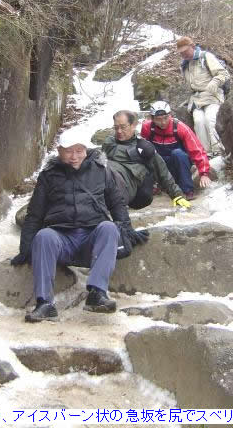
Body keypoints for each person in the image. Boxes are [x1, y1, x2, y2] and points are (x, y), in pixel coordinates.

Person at [10, 130, 148, 323]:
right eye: (68, 151)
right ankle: (45, 304)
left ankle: (97, 294)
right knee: (43, 236)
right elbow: (34, 214)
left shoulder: (101, 170)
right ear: (59, 151)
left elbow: (117, 204)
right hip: (61, 238)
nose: (74, 157)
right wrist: (25, 248)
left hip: (92, 239)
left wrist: (127, 230)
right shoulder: (48, 176)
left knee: (109, 228)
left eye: (79, 151)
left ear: (86, 149)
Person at [102, 110, 192, 210]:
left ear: (133, 125)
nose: (119, 131)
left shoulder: (143, 147)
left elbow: (162, 171)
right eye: (116, 127)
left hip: (128, 188)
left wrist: (177, 195)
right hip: (107, 181)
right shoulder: (109, 143)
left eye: (123, 127)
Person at [141, 101, 211, 200]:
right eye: (158, 119)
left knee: (178, 153)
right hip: (159, 163)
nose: (163, 122)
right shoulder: (147, 127)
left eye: (165, 118)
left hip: (179, 163)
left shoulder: (180, 128)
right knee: (147, 152)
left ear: (170, 115)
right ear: (152, 119)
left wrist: (204, 173)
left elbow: (197, 150)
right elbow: (141, 148)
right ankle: (154, 185)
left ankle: (188, 190)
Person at [176, 36, 230, 157]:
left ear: (192, 46)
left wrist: (215, 82)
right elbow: (191, 86)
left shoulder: (206, 57)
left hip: (212, 96)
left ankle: (219, 152)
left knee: (210, 119)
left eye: (185, 51)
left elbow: (223, 73)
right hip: (196, 100)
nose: (184, 54)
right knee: (199, 122)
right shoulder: (185, 65)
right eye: (181, 53)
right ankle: (206, 154)